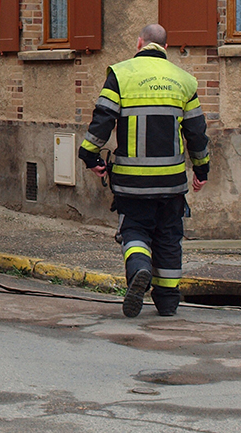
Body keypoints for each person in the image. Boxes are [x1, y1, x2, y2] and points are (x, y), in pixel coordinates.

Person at [78, 24, 210, 318]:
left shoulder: (121, 75)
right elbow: (197, 134)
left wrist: (90, 157)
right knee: (169, 236)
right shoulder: (185, 81)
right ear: (166, 46)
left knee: (135, 230)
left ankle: (139, 270)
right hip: (171, 183)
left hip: (132, 182)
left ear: (140, 43)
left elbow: (102, 121)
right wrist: (202, 170)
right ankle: (167, 303)